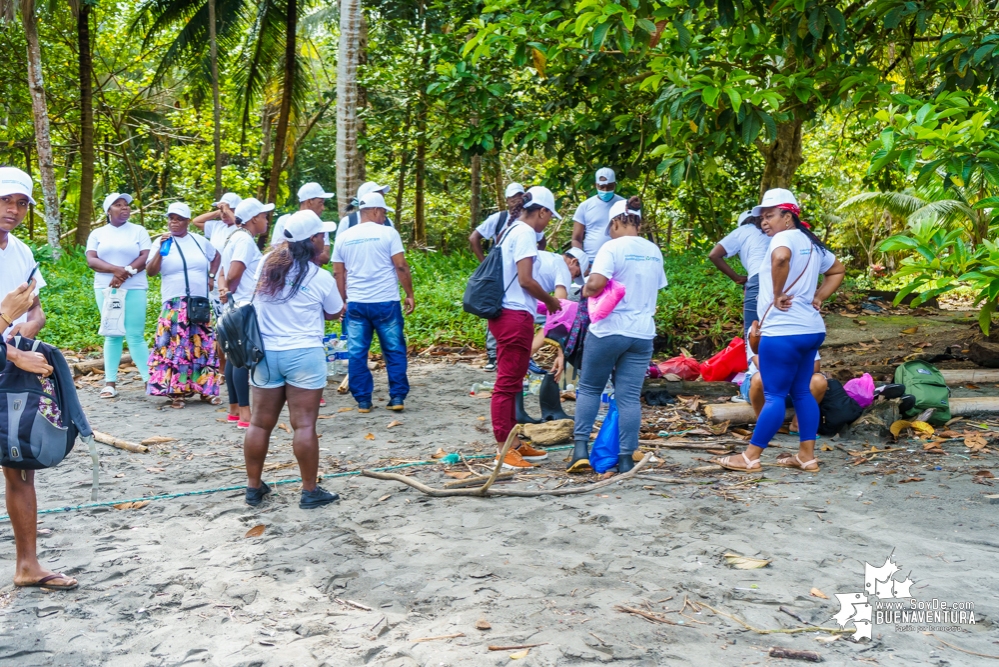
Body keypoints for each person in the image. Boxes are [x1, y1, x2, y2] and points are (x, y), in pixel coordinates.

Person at [716, 189, 845, 473]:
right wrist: (819, 297)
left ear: (788, 217)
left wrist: (776, 294)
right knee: (801, 392)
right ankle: (806, 456)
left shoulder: (784, 239)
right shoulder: (811, 243)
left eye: (770, 215)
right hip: (810, 329)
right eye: (762, 216)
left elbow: (780, 260)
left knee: (774, 395)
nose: (764, 221)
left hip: (783, 330)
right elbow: (837, 270)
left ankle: (750, 456)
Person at [0, 166, 77, 591]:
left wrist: (22, 339)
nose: (12, 209)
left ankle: (27, 565)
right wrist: (9, 346)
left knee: (18, 465)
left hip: (10, 371)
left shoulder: (21, 252)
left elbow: (36, 310)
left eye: (20, 203)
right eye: (5, 200)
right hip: (9, 360)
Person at [244, 210, 343, 509]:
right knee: (304, 426)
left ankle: (253, 488)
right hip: (304, 355)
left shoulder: (265, 265)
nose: (325, 241)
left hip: (265, 355)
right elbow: (335, 311)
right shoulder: (320, 278)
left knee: (259, 425)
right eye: (322, 236)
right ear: (311, 240)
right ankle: (310, 491)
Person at [569, 197, 667, 474]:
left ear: (614, 222)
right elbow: (656, 286)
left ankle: (579, 451)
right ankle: (625, 459)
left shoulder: (611, 247)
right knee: (628, 397)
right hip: (642, 333)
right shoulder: (653, 250)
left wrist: (586, 289)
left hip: (609, 330)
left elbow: (597, 283)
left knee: (589, 388)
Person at [486, 186, 563, 470]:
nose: (548, 222)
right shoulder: (525, 233)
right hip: (513, 314)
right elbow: (526, 280)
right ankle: (502, 449)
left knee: (514, 379)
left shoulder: (510, 230)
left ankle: (514, 443)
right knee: (507, 383)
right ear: (540, 211)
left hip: (508, 313)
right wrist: (551, 301)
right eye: (548, 216)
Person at [331, 191, 415, 412]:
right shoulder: (389, 234)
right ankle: (396, 397)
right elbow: (401, 266)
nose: (384, 216)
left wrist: (342, 301)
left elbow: (338, 273)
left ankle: (363, 400)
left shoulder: (344, 237)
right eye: (384, 212)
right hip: (386, 301)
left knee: (357, 352)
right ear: (377, 210)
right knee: (394, 349)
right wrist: (409, 293)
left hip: (357, 303)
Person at [144, 202, 222, 409]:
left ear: (187, 221)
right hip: (174, 302)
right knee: (175, 346)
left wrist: (211, 276)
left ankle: (204, 389)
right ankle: (176, 392)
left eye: (178, 219)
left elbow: (216, 257)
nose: (174, 222)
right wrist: (160, 250)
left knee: (202, 346)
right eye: (171, 218)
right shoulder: (161, 242)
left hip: (199, 303)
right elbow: (151, 271)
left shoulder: (199, 241)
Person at [468, 182, 545, 370]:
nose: (516, 200)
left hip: (513, 278)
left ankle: (508, 357)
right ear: (507, 200)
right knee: (497, 308)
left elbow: (541, 242)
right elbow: (474, 238)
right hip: (505, 280)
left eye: (519, 195)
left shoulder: (526, 225)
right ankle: (493, 355)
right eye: (512, 197)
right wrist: (485, 263)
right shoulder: (506, 221)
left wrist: (533, 258)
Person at [85, 192, 153, 398]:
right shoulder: (98, 233)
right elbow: (92, 260)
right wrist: (116, 271)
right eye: (118, 205)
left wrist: (125, 274)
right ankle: (110, 382)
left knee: (135, 335)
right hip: (106, 289)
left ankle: (149, 381)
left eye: (126, 205)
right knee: (112, 333)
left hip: (135, 287)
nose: (125, 208)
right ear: (108, 210)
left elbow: (146, 256)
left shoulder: (138, 231)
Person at [219, 196, 273, 428]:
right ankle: (244, 414)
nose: (267, 220)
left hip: (235, 302)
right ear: (253, 219)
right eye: (263, 216)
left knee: (234, 357)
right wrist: (229, 289)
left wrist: (224, 290)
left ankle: (234, 409)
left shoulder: (233, 236)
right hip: (245, 304)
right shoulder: (244, 241)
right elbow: (234, 271)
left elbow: (221, 271)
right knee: (243, 358)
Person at [708, 211, 770, 332]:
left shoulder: (743, 230)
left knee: (752, 331)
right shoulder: (775, 230)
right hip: (784, 279)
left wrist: (736, 278)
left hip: (759, 280)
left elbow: (714, 255)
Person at [742, 350, 827, 434]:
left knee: (818, 381)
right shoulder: (761, 336)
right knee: (760, 378)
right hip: (765, 390)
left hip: (794, 388)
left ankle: (798, 424)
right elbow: (762, 366)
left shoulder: (806, 337)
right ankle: (764, 425)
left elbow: (815, 366)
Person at [270, 182, 335, 264]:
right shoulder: (284, 221)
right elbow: (277, 252)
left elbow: (325, 257)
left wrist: (294, 251)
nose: (323, 208)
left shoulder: (320, 226)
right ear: (309, 202)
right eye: (320, 203)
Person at [571, 167, 624, 265]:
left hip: (618, 261)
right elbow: (576, 238)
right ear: (596, 185)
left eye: (609, 186)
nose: (605, 190)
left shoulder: (623, 205)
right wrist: (581, 262)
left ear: (615, 185)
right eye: (602, 186)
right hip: (592, 262)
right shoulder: (585, 206)